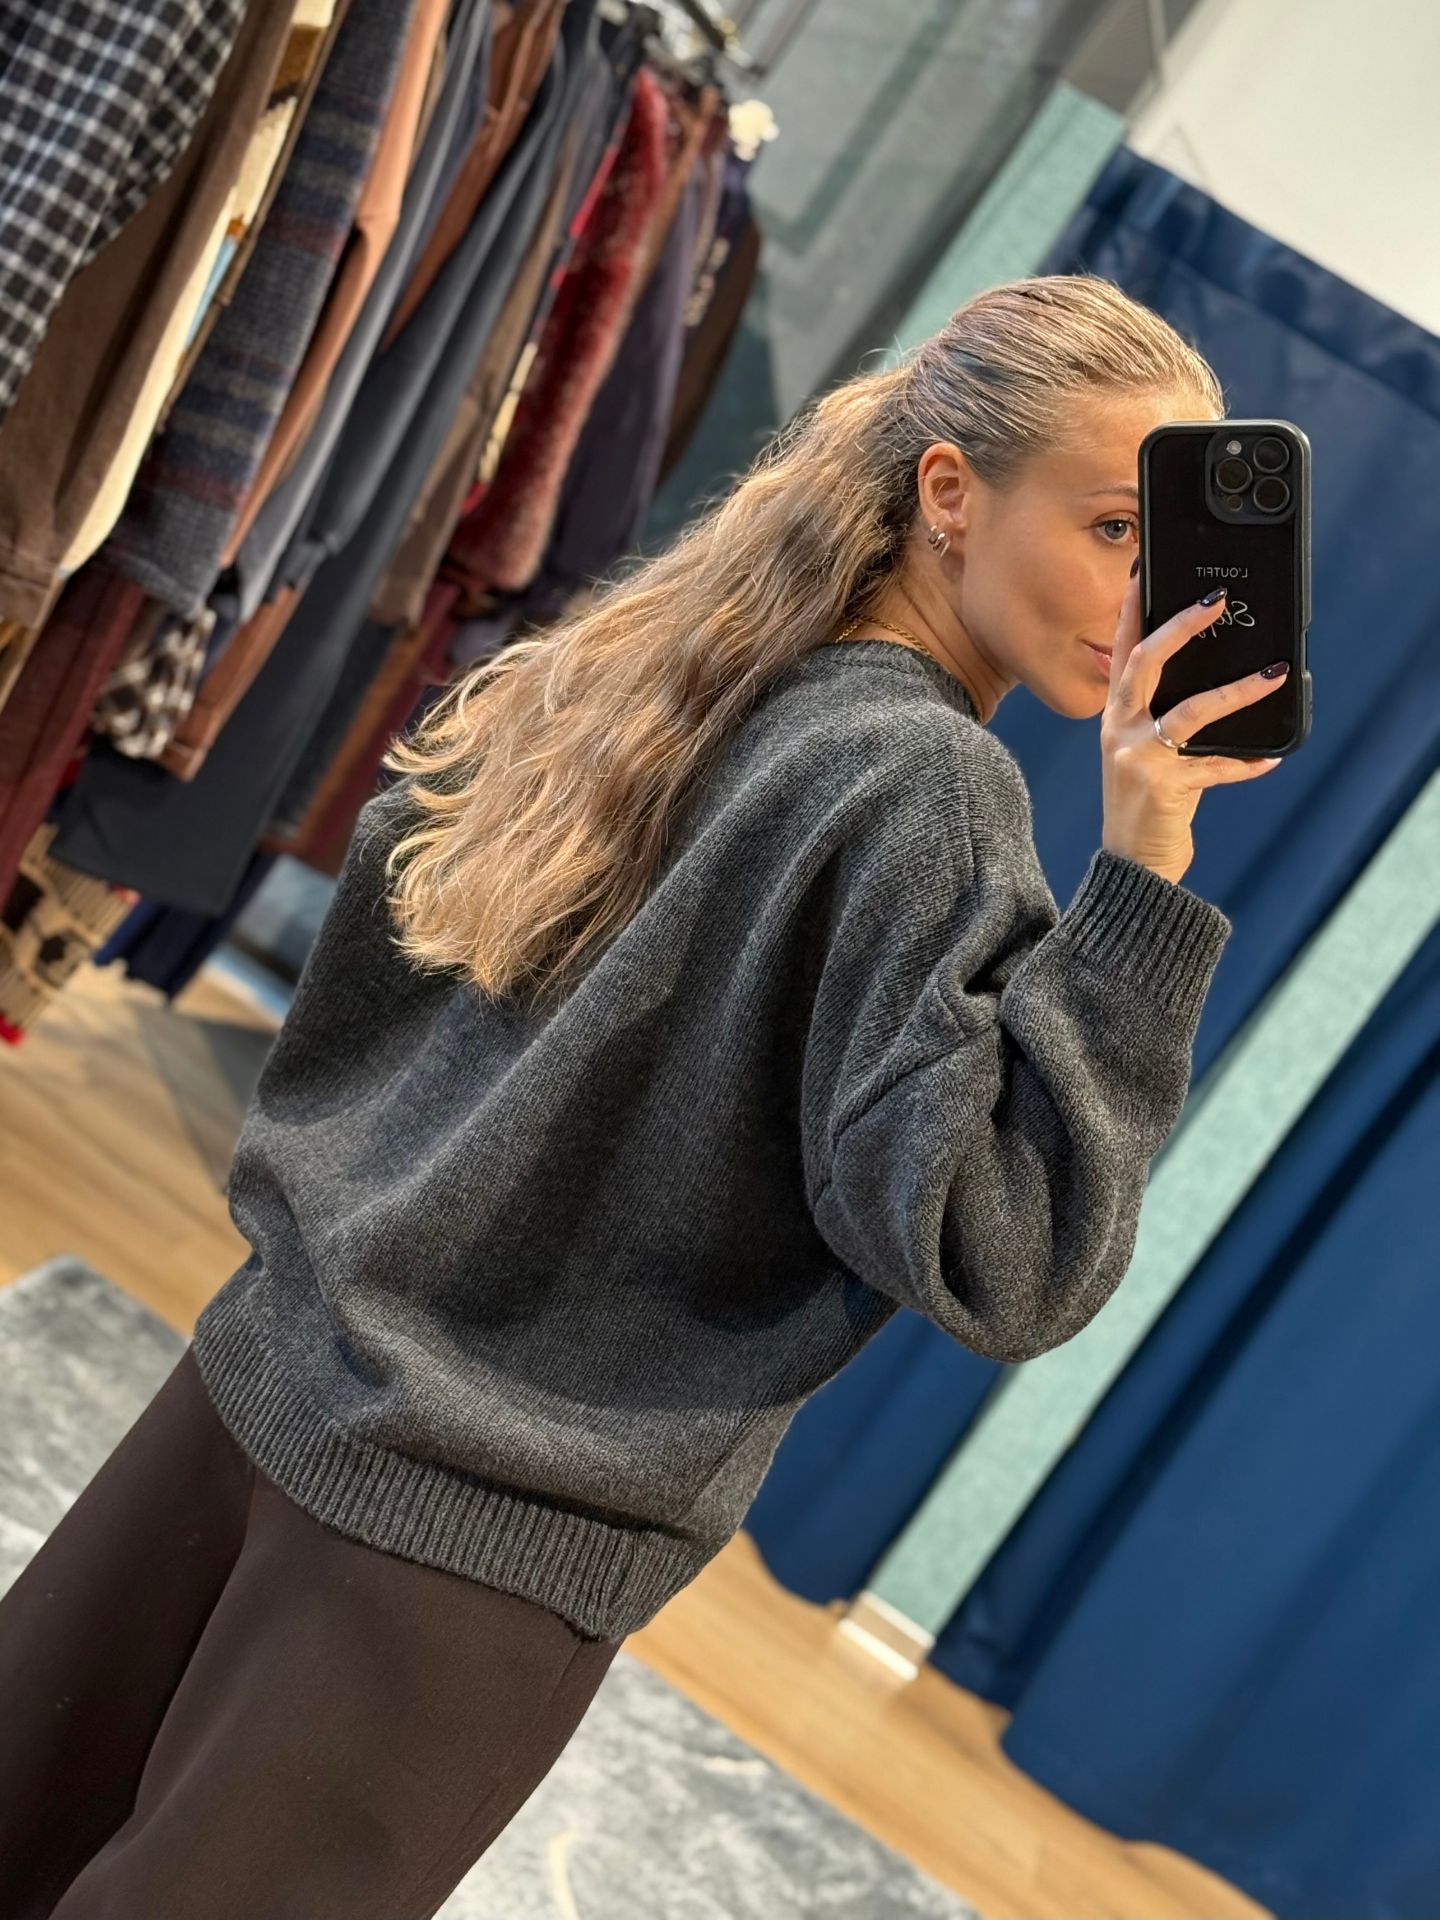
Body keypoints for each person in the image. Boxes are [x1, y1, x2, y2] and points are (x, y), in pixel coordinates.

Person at [0, 273, 1289, 1918]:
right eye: (1113, 528)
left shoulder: (693, 658)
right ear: (951, 492)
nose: (1148, 599)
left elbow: (388, 925)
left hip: (269, 1380)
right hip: (463, 1539)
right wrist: (1148, 872)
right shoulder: (930, 789)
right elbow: (1008, 1256)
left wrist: (358, 1232)